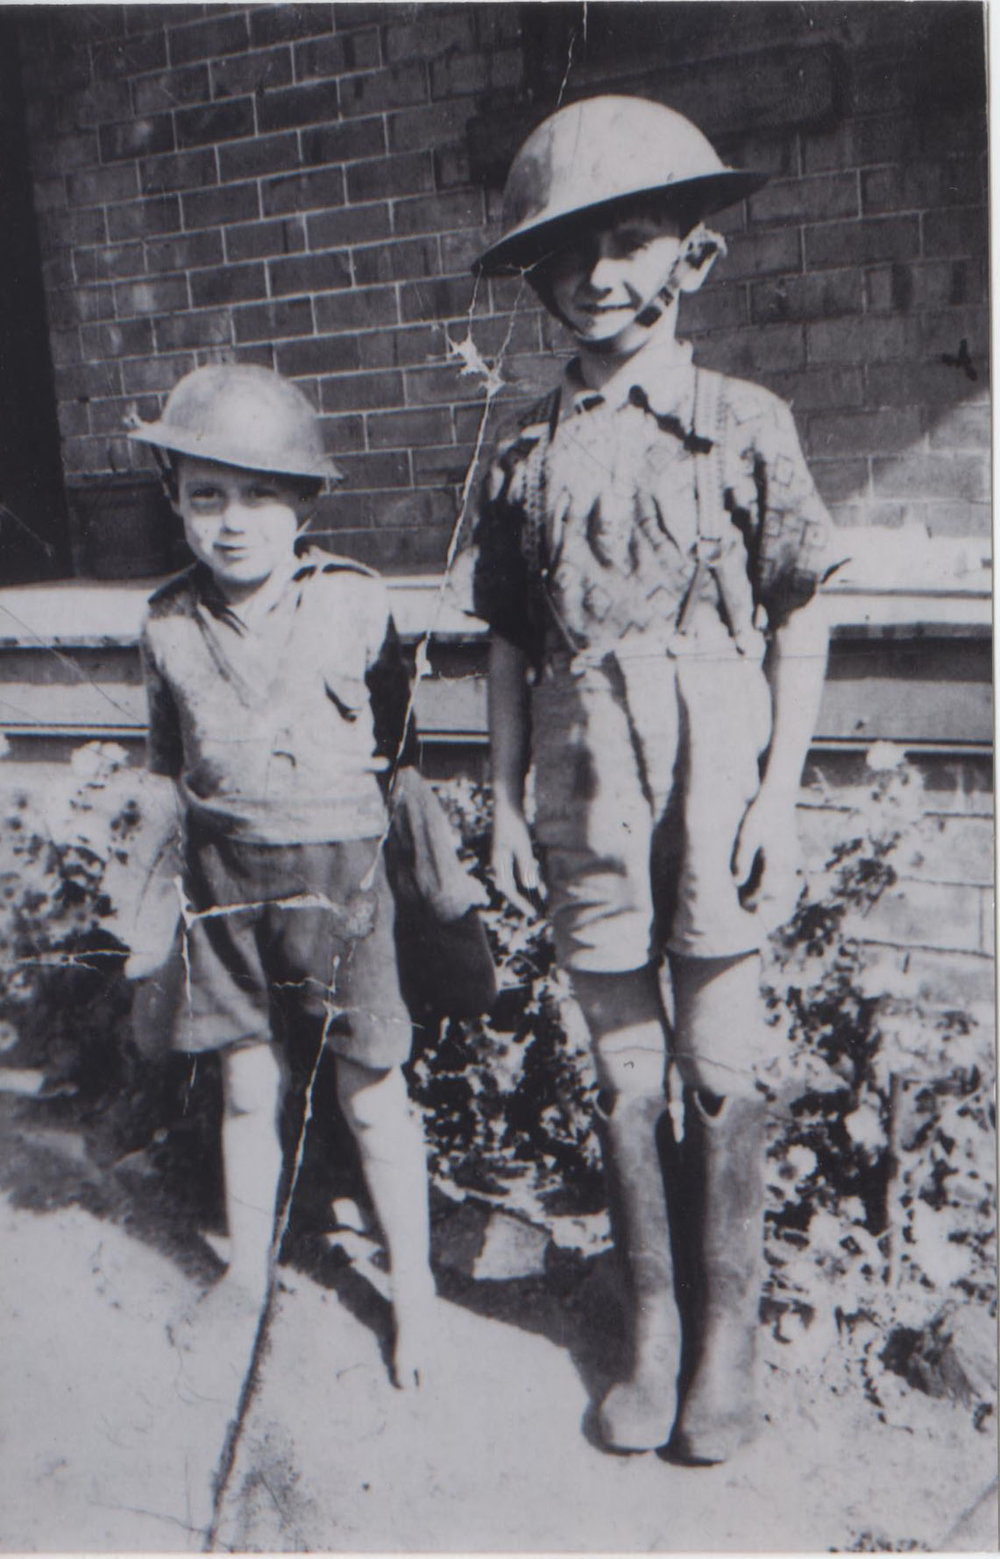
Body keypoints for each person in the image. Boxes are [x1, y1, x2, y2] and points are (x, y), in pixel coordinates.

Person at [472, 95, 836, 1463]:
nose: (596, 277)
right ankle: (656, 1327)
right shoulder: (521, 453)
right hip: (581, 763)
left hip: (715, 757)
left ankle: (729, 1333)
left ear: (694, 252)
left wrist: (778, 792)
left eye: (628, 240)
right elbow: (509, 642)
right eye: (567, 255)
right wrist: (504, 798)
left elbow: (801, 608)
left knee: (720, 1061)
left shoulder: (744, 422)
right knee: (625, 1062)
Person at [128, 363, 435, 1390]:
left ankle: (418, 1294)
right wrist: (148, 896)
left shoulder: (354, 601)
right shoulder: (167, 623)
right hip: (225, 881)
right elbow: (169, 766)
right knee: (246, 1086)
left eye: (260, 493)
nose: (232, 521)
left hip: (342, 879)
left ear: (304, 502)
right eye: (204, 494)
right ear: (173, 500)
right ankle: (248, 1279)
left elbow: (399, 744)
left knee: (373, 1091)